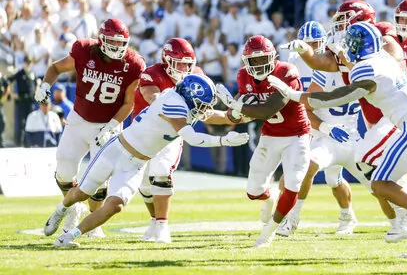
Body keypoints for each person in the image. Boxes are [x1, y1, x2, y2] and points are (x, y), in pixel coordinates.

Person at [270, 22, 407, 263]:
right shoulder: (385, 58)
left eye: (352, 44)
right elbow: (353, 69)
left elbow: (335, 96)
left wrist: (294, 95)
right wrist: (340, 58)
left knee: (379, 182)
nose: (348, 48)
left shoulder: (363, 70)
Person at [43, 74, 250, 248]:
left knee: (115, 205)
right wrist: (224, 140)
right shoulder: (173, 104)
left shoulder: (183, 103)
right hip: (116, 150)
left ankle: (69, 237)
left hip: (135, 164)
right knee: (82, 193)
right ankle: (61, 209)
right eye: (201, 105)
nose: (203, 110)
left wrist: (240, 109)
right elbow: (193, 138)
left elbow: (221, 116)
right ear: (190, 98)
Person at [280, 0, 407, 243]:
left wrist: (345, 58)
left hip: (374, 128)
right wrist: (307, 53)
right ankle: (293, 218)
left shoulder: (380, 42)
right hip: (332, 136)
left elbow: (387, 65)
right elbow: (317, 85)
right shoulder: (340, 58)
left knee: (379, 182)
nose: (340, 32)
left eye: (345, 23)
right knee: (310, 168)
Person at [35, 19, 146, 238]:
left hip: (108, 125)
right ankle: (74, 206)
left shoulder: (133, 64)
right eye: (112, 41)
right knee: (64, 168)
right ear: (101, 39)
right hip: (79, 120)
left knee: (98, 181)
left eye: (120, 42)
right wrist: (45, 85)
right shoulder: (84, 50)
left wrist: (111, 127)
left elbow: (128, 103)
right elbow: (55, 67)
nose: (117, 47)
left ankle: (94, 225)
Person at [216, 35, 311, 247]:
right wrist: (232, 113)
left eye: (263, 59)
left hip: (297, 135)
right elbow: (241, 112)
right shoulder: (243, 76)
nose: (259, 64)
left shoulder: (286, 72)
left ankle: (268, 233)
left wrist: (237, 106)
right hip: (270, 135)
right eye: (254, 60)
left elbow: (269, 108)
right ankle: (269, 198)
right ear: (246, 61)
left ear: (273, 57)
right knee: (253, 191)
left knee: (294, 183)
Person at [277, 21, 361, 237]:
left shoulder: (329, 64)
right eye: (307, 44)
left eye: (315, 43)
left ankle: (348, 215)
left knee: (334, 179)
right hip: (310, 123)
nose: (311, 48)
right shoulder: (294, 61)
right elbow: (300, 102)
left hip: (333, 127)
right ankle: (290, 216)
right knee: (294, 174)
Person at [134, 38, 204, 244]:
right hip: (144, 131)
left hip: (170, 133)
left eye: (187, 63)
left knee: (161, 171)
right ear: (166, 60)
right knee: (145, 184)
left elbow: (204, 104)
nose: (183, 68)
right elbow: (153, 99)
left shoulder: (197, 75)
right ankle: (155, 221)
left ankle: (163, 226)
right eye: (179, 63)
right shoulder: (152, 73)